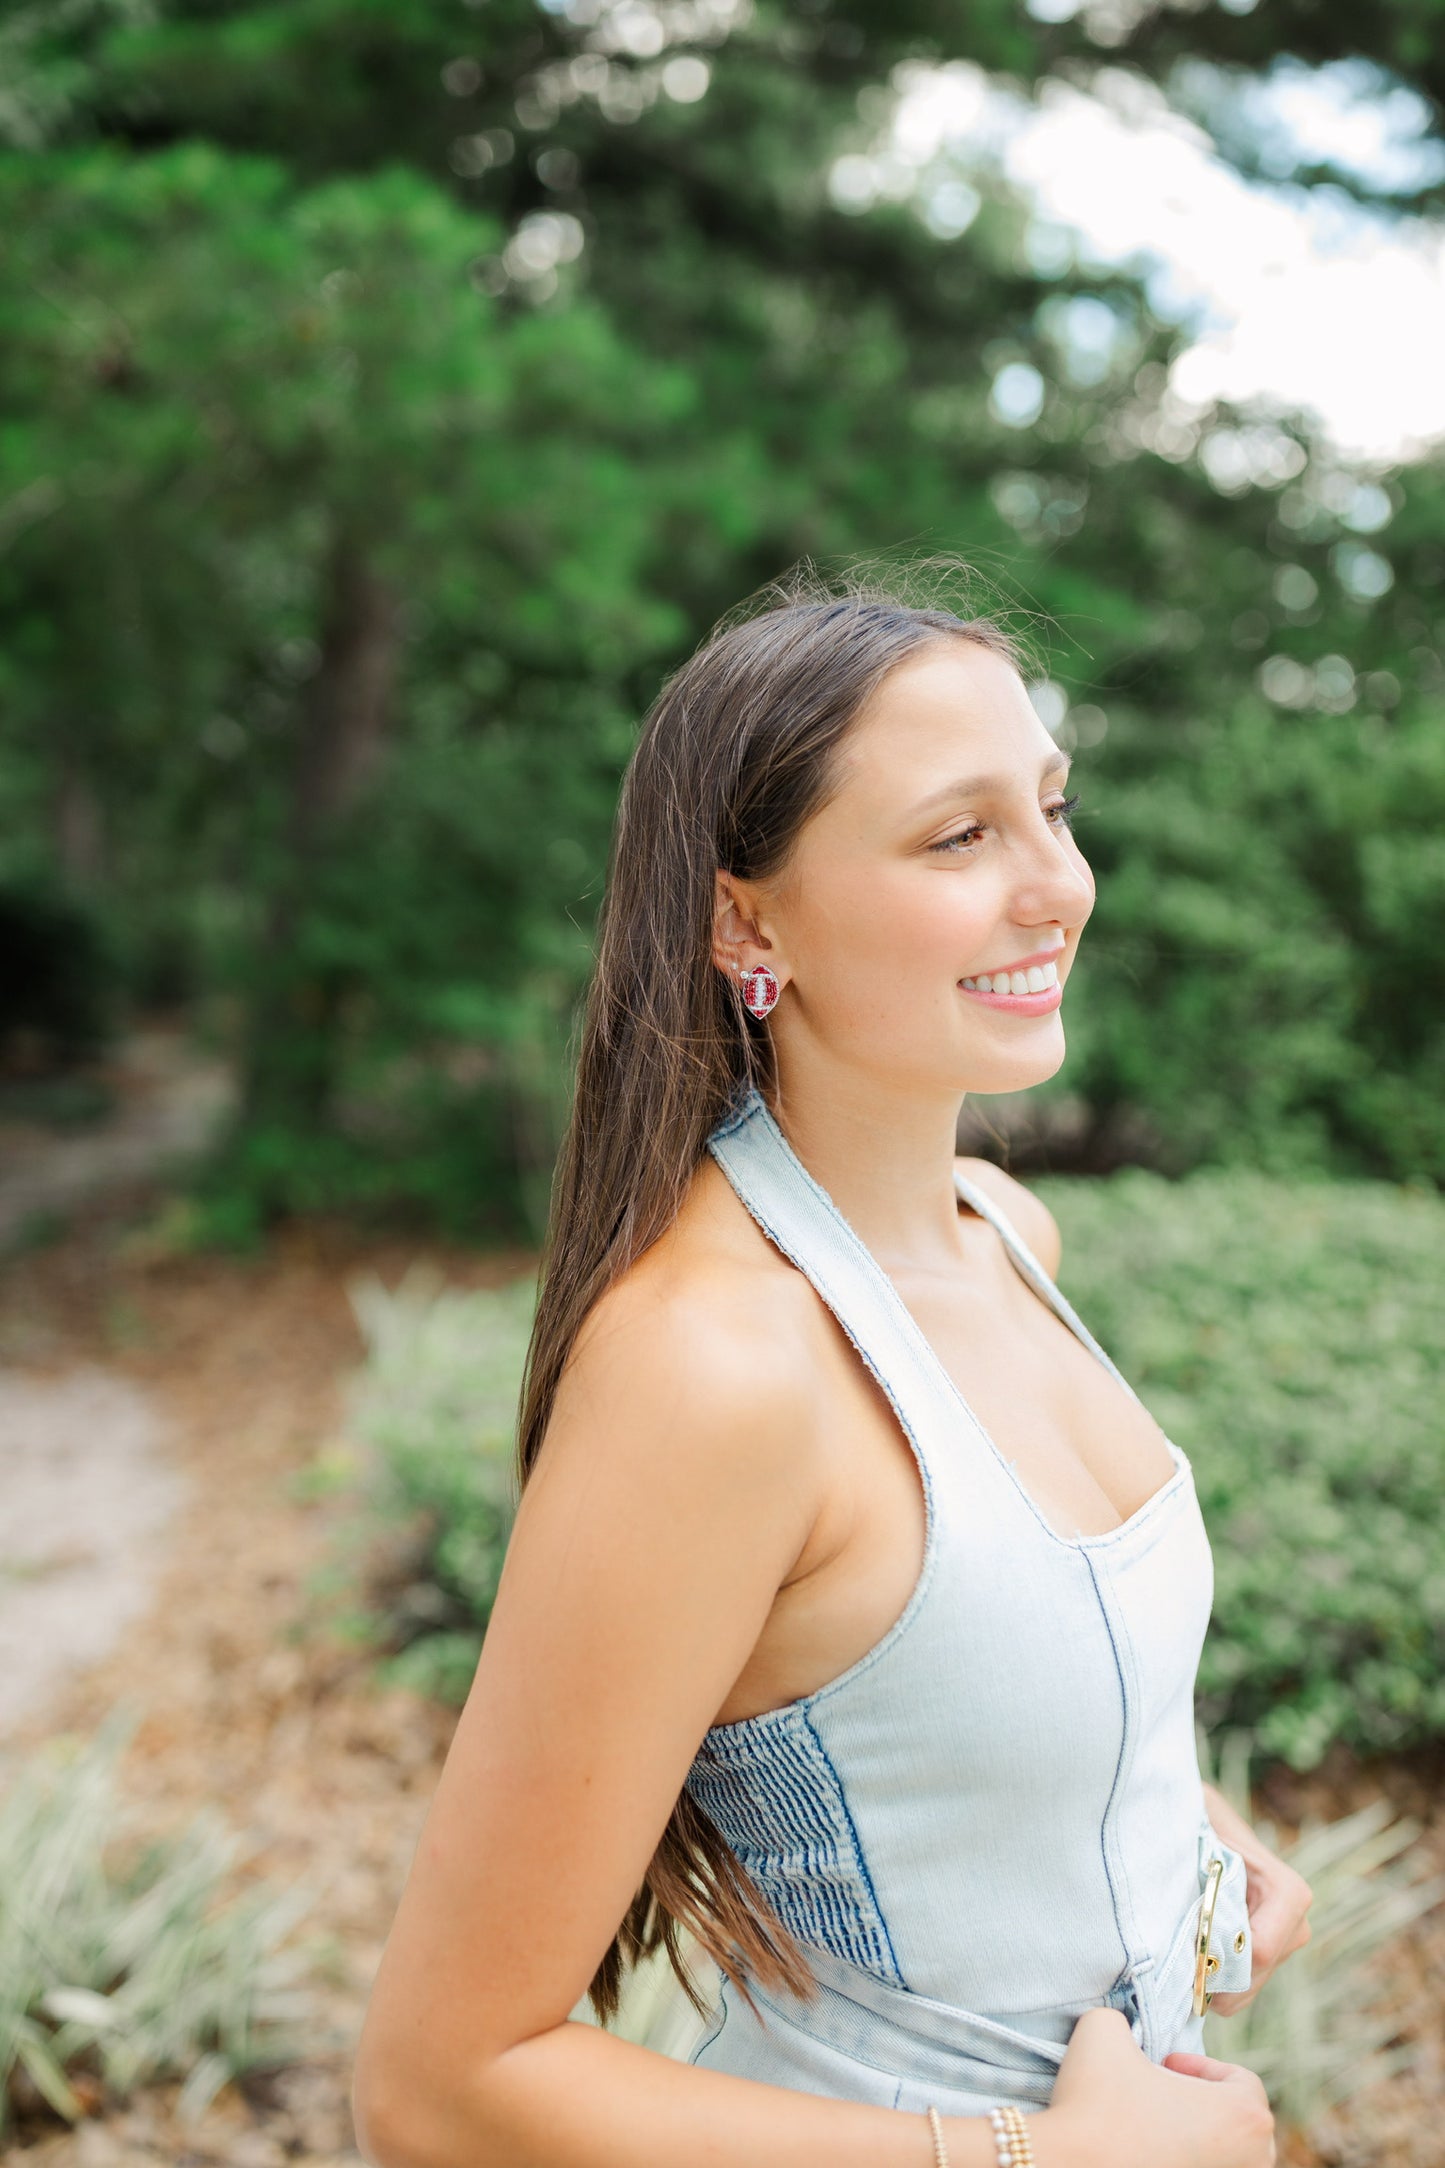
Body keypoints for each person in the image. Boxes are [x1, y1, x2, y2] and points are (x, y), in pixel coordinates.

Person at [352, 570, 1313, 2168]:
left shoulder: (1001, 1233)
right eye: (959, 837)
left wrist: (1184, 1838)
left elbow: (962, 1701)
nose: (1056, 886)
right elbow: (443, 2083)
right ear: (747, 918)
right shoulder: (714, 1371)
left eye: (1051, 810)